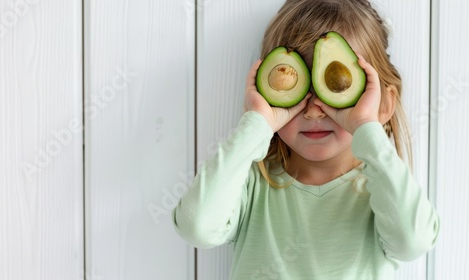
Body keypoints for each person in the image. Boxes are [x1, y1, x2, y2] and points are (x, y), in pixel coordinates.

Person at [172, 0, 440, 279]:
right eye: (300, 91)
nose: (313, 111)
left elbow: (415, 241)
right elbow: (196, 226)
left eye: (331, 94)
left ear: (383, 105)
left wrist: (366, 128)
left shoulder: (381, 192)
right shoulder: (251, 186)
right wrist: (256, 124)